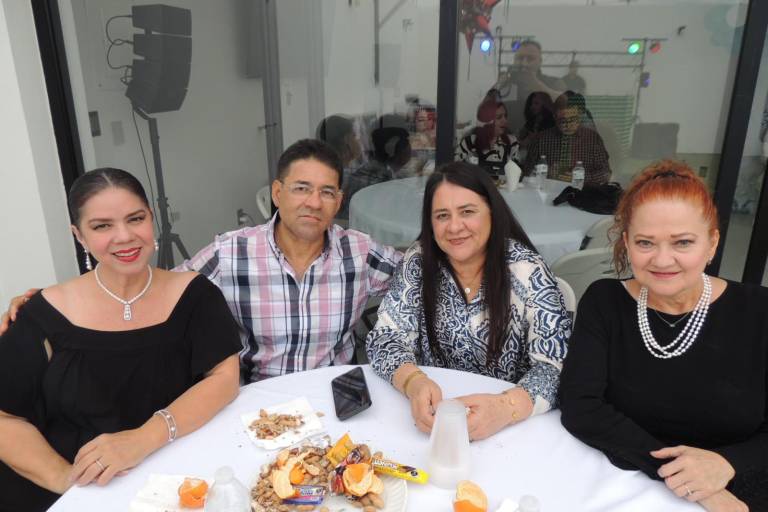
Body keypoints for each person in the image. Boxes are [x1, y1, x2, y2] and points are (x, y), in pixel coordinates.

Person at [1, 140, 402, 384]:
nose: (314, 202)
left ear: (339, 201)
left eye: (327, 192)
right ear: (277, 193)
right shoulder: (232, 253)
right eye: (301, 188)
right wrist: (53, 305)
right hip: (257, 400)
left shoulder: (359, 252)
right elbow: (155, 291)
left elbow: (421, 275)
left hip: (336, 391)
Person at [0, 168, 241, 512]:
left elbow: (224, 378)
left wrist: (143, 438)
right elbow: (5, 418)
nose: (125, 236)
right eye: (102, 226)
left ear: (152, 218)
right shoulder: (42, 313)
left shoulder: (195, 295)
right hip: (79, 494)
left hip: (179, 481)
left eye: (135, 219)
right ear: (79, 236)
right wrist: (68, 482)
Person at [559, 161, 767, 512]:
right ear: (627, 242)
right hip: (627, 480)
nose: (662, 260)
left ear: (712, 243)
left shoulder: (759, 311)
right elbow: (581, 406)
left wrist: (726, 464)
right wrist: (685, 479)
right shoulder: (604, 302)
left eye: (683, 242)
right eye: (645, 242)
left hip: (740, 487)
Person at [366, 162, 571, 441]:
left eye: (467, 212)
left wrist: (504, 408)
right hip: (431, 420)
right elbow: (384, 338)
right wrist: (413, 381)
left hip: (511, 429)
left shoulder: (527, 271)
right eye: (442, 215)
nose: (454, 227)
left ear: (491, 211)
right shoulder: (419, 262)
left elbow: (556, 367)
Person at [523, 92, 611, 186]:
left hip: (583, 192)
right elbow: (527, 171)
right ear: (555, 117)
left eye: (573, 119)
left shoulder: (592, 138)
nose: (569, 125)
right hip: (549, 191)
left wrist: (577, 177)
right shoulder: (541, 139)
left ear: (580, 115)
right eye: (563, 121)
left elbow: (605, 173)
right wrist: (546, 173)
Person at [495, 40, 566, 132]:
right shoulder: (505, 85)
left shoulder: (554, 82)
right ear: (514, 60)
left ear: (540, 61)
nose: (524, 63)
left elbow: (567, 107)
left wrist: (536, 85)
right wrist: (499, 85)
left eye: (530, 59)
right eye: (520, 58)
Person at [455, 97, 520, 178]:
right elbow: (455, 170)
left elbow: (516, 173)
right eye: (499, 117)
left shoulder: (511, 142)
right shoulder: (470, 142)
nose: (504, 121)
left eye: (505, 116)